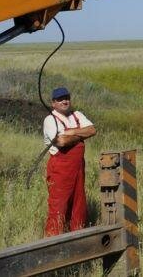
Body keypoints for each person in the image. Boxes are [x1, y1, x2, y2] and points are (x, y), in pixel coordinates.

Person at [42, 86, 96, 236]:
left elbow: (92, 130)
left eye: (66, 98)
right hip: (60, 170)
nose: (64, 101)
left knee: (78, 204)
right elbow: (61, 142)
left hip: (78, 168)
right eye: (60, 99)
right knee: (58, 206)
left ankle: (77, 237)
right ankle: (52, 241)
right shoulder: (50, 120)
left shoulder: (77, 115)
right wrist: (81, 134)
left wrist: (71, 132)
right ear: (53, 103)